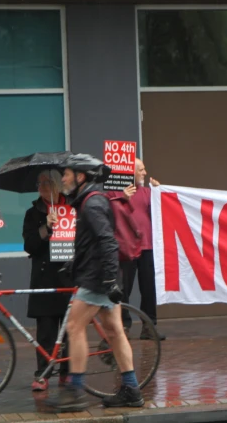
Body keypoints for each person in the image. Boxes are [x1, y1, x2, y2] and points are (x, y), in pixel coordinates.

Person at [47, 154, 144, 410]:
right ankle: (131, 390)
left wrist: (111, 279)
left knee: (74, 326)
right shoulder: (88, 202)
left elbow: (107, 242)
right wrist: (73, 264)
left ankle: (75, 391)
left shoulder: (92, 203)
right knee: (114, 330)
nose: (63, 179)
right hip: (99, 275)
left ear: (81, 177)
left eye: (66, 174)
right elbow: (91, 243)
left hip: (98, 278)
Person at [22, 170, 72, 391]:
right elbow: (29, 246)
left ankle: (68, 372)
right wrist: (46, 228)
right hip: (44, 277)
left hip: (69, 274)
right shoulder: (32, 213)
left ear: (57, 185)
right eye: (39, 182)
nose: (41, 186)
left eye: (46, 182)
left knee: (71, 329)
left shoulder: (73, 207)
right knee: (46, 331)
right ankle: (43, 374)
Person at [108, 158, 164, 341]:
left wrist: (158, 192)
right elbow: (107, 209)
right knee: (124, 289)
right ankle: (123, 327)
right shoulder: (115, 191)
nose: (145, 173)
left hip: (147, 246)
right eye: (141, 169)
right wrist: (121, 198)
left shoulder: (148, 192)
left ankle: (149, 328)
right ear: (129, 172)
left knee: (149, 289)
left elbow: (162, 210)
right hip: (126, 247)